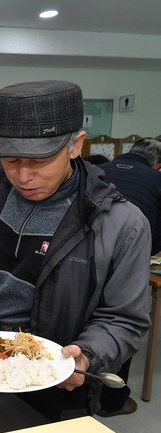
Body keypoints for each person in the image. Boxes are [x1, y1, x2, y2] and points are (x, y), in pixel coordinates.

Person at [0, 80, 151, 421]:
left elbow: (124, 319)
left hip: (55, 382)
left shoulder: (120, 223)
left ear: (75, 145)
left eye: (39, 161)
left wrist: (85, 356)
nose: (23, 176)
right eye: (11, 161)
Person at [95, 137, 161, 417]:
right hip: (127, 258)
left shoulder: (100, 169)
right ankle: (112, 401)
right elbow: (154, 237)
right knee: (121, 323)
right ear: (157, 163)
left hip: (83, 258)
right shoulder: (156, 179)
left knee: (93, 323)